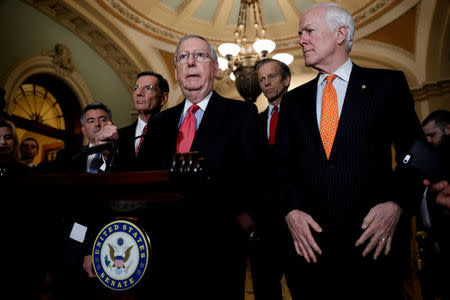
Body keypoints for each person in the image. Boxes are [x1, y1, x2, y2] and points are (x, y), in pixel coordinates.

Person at [275, 3, 425, 299]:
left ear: (340, 34)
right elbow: (279, 167)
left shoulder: (387, 84)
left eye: (309, 31)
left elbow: (416, 152)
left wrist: (396, 205)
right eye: (300, 33)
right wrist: (290, 211)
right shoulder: (293, 102)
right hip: (311, 252)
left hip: (372, 246)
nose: (301, 39)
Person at [139, 34, 262, 299]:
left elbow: (255, 179)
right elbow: (143, 180)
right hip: (162, 252)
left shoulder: (242, 115)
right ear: (176, 71)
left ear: (216, 69)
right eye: (183, 57)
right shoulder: (159, 123)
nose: (191, 62)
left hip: (218, 251)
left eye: (200, 56)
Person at [249, 58, 291, 300]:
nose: (266, 84)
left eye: (271, 77)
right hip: (264, 222)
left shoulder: (304, 115)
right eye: (261, 79)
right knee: (265, 289)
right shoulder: (255, 121)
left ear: (286, 80)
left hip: (299, 217)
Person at [417, 109, 450, 300]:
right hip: (433, 248)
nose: (428, 141)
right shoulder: (429, 162)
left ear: (447, 129)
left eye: (432, 135)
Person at [115, 71, 169, 171]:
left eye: (148, 88)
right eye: (136, 88)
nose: (139, 93)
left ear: (163, 99)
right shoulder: (120, 136)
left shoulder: (172, 133)